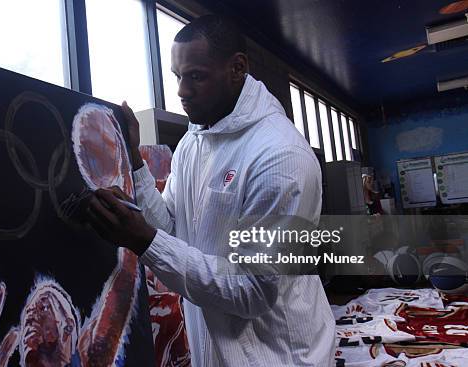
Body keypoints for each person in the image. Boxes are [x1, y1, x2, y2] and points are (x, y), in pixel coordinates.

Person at [86, 14, 335, 366]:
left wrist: (143, 240)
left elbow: (252, 290)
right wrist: (136, 165)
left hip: (281, 357)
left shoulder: (281, 157)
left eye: (196, 77)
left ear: (237, 68)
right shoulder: (194, 141)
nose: (182, 91)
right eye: (177, 77)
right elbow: (172, 229)